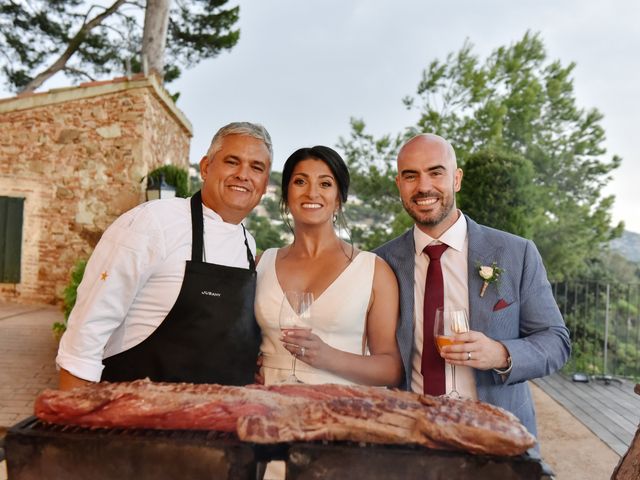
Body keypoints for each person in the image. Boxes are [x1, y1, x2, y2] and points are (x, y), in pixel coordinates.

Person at [374, 133, 570, 438]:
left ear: (456, 179)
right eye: (411, 176)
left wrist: (501, 353)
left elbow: (556, 341)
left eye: (436, 172)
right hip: (411, 438)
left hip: (496, 436)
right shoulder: (381, 262)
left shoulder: (516, 253)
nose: (424, 186)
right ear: (398, 184)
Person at [56, 122, 272, 390]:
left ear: (264, 184)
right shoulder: (152, 222)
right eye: (232, 161)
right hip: (135, 412)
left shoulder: (247, 244)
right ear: (206, 167)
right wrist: (70, 418)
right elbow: (87, 330)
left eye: (256, 167)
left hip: (212, 419)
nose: (243, 174)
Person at [255, 145, 403, 387]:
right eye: (300, 182)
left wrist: (329, 357)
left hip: (341, 411)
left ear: (338, 200)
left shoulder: (374, 271)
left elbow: (392, 369)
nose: (312, 193)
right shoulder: (262, 263)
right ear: (286, 195)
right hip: (269, 408)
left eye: (325, 184)